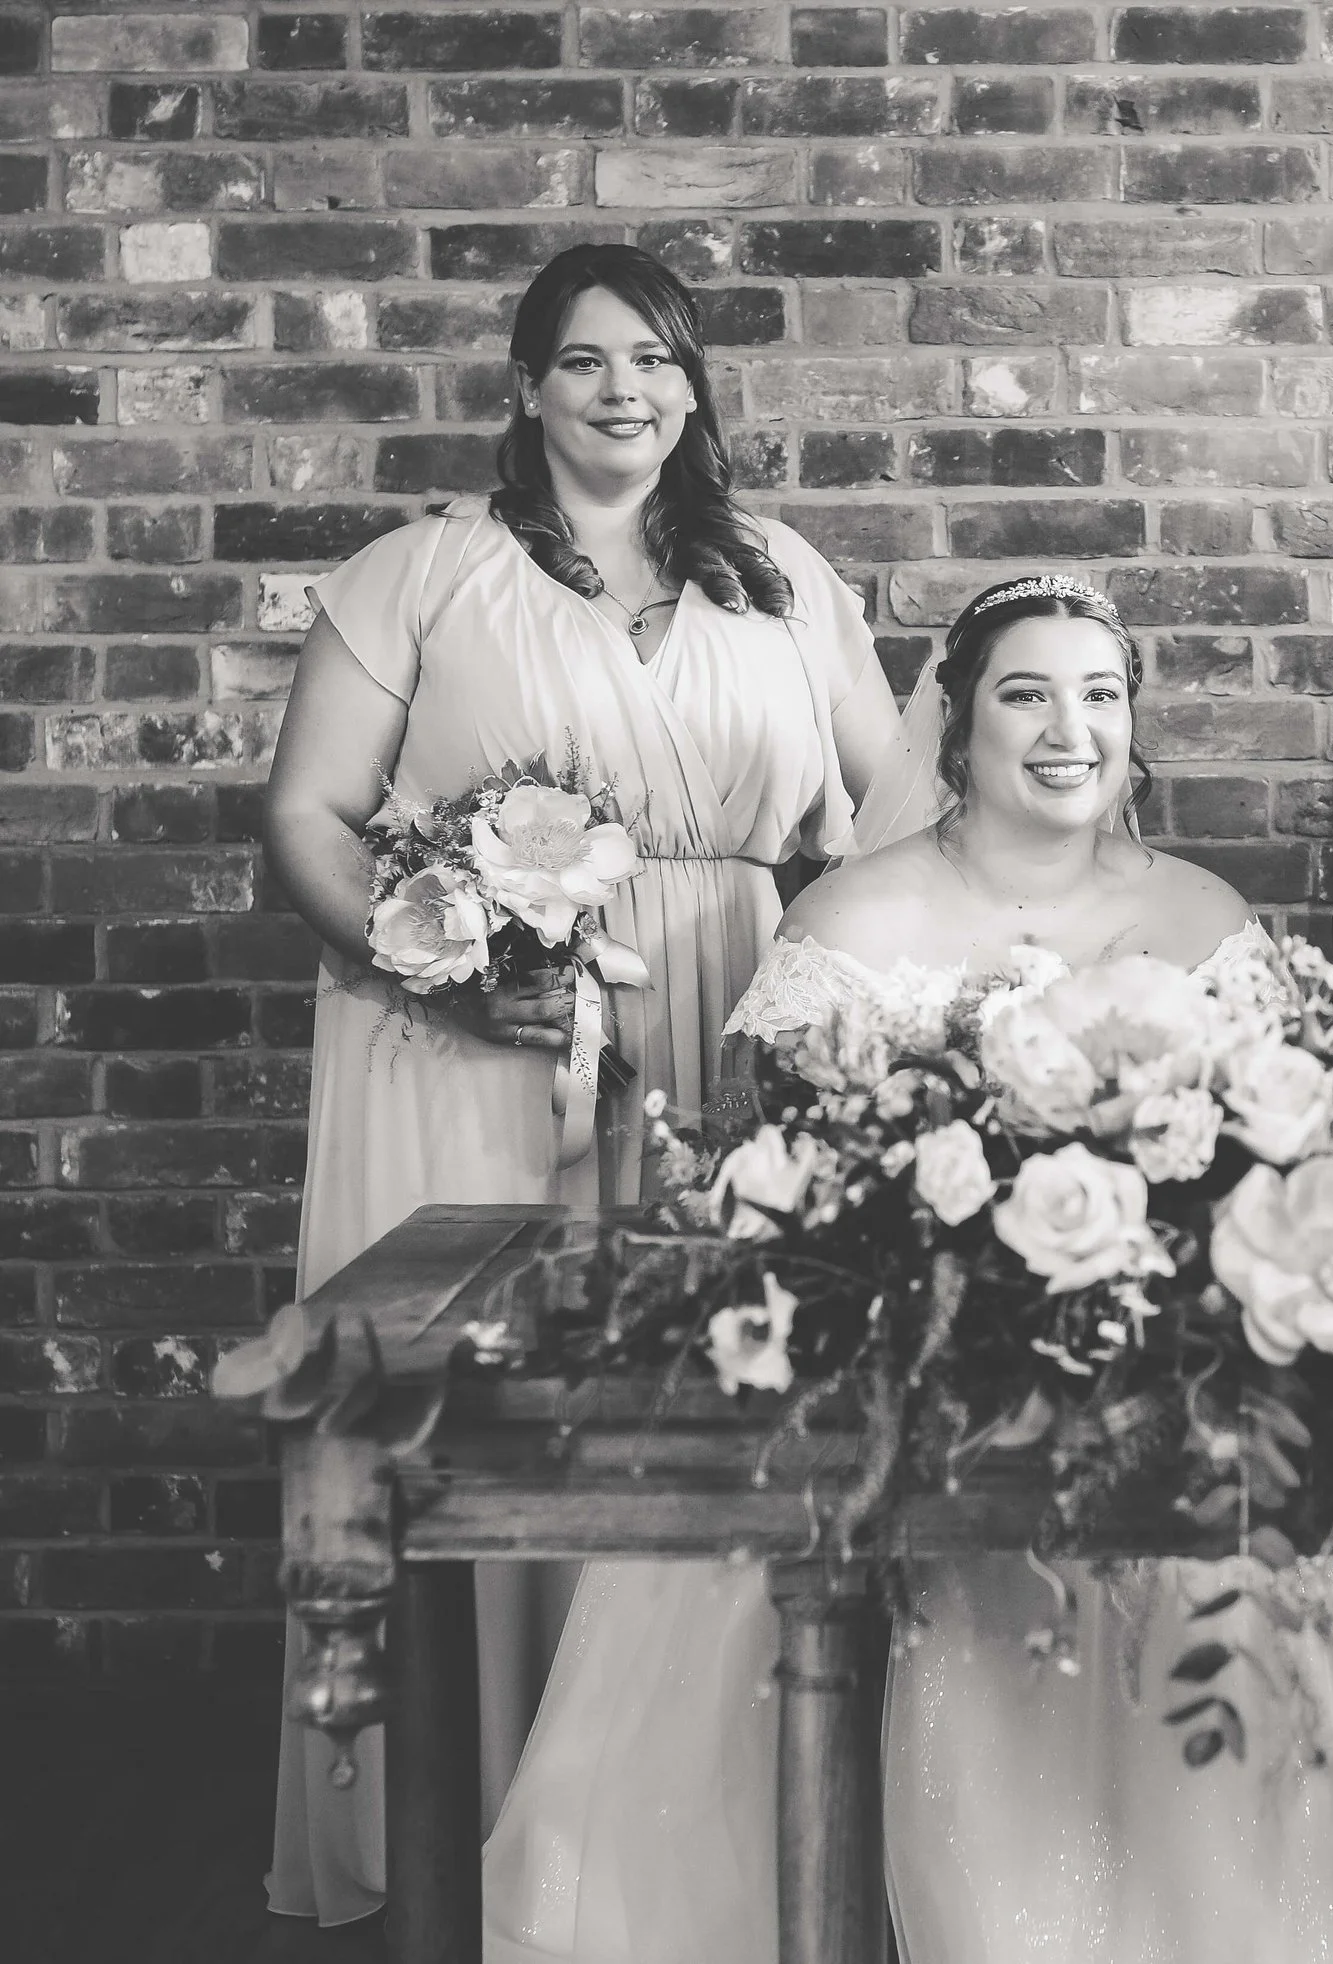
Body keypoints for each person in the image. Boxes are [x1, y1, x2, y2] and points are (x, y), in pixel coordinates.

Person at [480, 575, 1333, 1964]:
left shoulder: (1202, 917)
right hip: (904, 1419)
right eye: (1028, 694)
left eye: (1102, 696)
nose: (1073, 729)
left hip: (1158, 1419)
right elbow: (767, 1198)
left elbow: (1283, 1180)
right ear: (958, 734)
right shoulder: (850, 923)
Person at [258, 241, 902, 1932]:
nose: (622, 387)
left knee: (709, 1404)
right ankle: (469, 1818)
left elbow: (880, 824)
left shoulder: (783, 580)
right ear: (526, 388)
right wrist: (457, 969)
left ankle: (681, 1816)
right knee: (494, 1407)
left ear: (694, 387)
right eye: (584, 359)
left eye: (654, 358)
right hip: (482, 1047)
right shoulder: (421, 573)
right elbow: (309, 820)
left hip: (731, 1028)